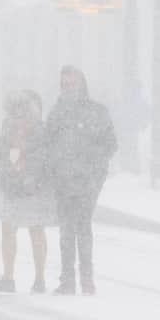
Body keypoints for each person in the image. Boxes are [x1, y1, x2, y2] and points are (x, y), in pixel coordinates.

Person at [45, 66, 117, 295]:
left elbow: (110, 144)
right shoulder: (57, 112)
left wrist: (94, 169)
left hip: (87, 181)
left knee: (82, 227)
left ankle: (86, 279)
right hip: (64, 181)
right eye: (64, 85)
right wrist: (54, 169)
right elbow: (47, 143)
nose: (68, 89)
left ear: (82, 84)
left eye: (72, 84)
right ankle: (68, 279)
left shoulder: (97, 112)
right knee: (67, 230)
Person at [0, 90, 57, 294]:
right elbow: (3, 154)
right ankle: (37, 280)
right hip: (26, 186)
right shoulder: (38, 129)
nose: (19, 116)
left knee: (15, 231)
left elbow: (3, 155)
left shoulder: (25, 129)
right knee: (32, 230)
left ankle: (16, 278)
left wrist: (19, 174)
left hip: (24, 186)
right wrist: (18, 174)